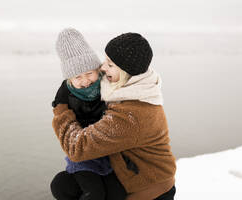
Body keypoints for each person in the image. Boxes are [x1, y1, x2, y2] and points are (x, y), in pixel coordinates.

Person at [52, 32, 176, 200]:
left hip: (149, 192)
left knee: (68, 186)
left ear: (124, 71)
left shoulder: (131, 113)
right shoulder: (135, 89)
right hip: (134, 175)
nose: (103, 68)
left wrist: (61, 108)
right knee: (63, 184)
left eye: (110, 65)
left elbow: (77, 148)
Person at [50, 28, 127, 200]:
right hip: (83, 156)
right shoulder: (65, 95)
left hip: (108, 153)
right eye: (78, 77)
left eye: (89, 74)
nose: (85, 81)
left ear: (97, 70)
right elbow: (63, 124)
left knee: (118, 194)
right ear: (69, 79)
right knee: (94, 194)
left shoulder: (108, 86)